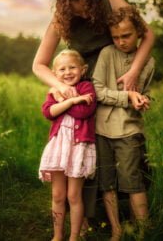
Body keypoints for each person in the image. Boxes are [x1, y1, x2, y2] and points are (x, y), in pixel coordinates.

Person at [33, 0, 155, 234]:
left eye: (86, 5)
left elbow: (148, 36)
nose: (83, 13)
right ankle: (87, 220)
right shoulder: (62, 19)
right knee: (85, 155)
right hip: (84, 94)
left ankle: (133, 216)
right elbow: (39, 65)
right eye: (75, 8)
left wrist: (133, 71)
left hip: (115, 84)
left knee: (126, 146)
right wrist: (62, 86)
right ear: (66, 5)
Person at [92, 6, 155, 240]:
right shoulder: (107, 53)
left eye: (126, 35)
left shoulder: (148, 62)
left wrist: (143, 100)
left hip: (129, 130)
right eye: (116, 37)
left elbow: (145, 92)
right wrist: (126, 97)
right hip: (102, 129)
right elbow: (97, 91)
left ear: (138, 32)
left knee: (133, 182)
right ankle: (117, 230)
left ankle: (144, 231)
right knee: (107, 183)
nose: (121, 42)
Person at [38, 49, 97, 241]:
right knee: (57, 195)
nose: (67, 72)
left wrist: (65, 101)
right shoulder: (56, 90)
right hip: (59, 147)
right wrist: (72, 99)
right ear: (55, 74)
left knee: (73, 196)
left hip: (78, 148)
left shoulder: (87, 87)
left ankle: (73, 237)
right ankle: (57, 236)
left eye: (72, 67)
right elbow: (48, 112)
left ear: (83, 69)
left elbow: (82, 112)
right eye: (62, 69)